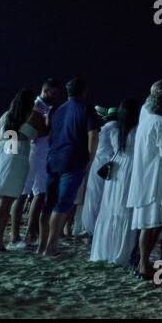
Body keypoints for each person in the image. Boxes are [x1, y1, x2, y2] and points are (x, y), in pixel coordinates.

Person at [40, 77, 96, 257]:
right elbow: (93, 135)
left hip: (53, 158)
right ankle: (51, 246)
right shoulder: (86, 108)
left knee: (49, 203)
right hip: (73, 160)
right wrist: (90, 158)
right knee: (62, 204)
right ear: (84, 91)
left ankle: (42, 245)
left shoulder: (57, 110)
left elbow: (50, 134)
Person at [0, 89, 42, 253]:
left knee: (3, 204)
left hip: (0, 154)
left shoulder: (6, 116)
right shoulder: (33, 115)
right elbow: (40, 133)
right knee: (3, 204)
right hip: (14, 158)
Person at [127, 81, 162, 279]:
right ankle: (143, 265)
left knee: (149, 223)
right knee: (152, 223)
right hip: (155, 178)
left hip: (143, 176)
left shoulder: (144, 121)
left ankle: (143, 262)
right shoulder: (159, 122)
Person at [90, 98, 139, 266]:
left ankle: (105, 250)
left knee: (111, 209)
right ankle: (121, 252)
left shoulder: (115, 131)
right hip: (131, 169)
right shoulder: (136, 131)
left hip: (116, 167)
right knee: (125, 210)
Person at [19, 77, 62, 248]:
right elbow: (36, 134)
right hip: (34, 153)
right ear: (44, 90)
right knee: (31, 193)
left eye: (56, 94)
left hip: (39, 154)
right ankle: (26, 232)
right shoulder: (37, 109)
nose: (54, 96)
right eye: (52, 93)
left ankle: (28, 231)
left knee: (35, 194)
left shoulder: (44, 108)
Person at [79, 107, 119, 238]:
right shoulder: (114, 128)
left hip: (96, 165)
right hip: (105, 167)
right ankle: (96, 228)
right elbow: (117, 150)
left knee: (92, 196)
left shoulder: (103, 129)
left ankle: (89, 226)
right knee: (101, 197)